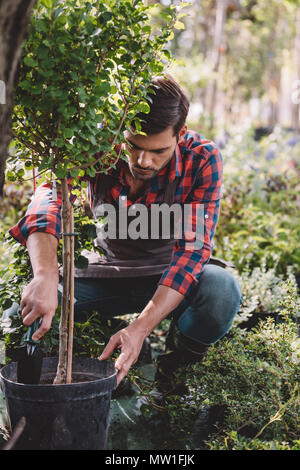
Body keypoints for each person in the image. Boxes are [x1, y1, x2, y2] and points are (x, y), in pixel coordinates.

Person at [8, 75, 243, 394]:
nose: (143, 161)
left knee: (221, 291)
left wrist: (141, 329)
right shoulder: (96, 144)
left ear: (180, 134)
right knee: (23, 315)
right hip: (98, 276)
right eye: (133, 146)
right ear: (122, 130)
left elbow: (191, 254)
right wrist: (46, 276)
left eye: (158, 151)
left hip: (165, 278)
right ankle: (29, 407)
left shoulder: (201, 159)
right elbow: (48, 201)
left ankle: (170, 384)